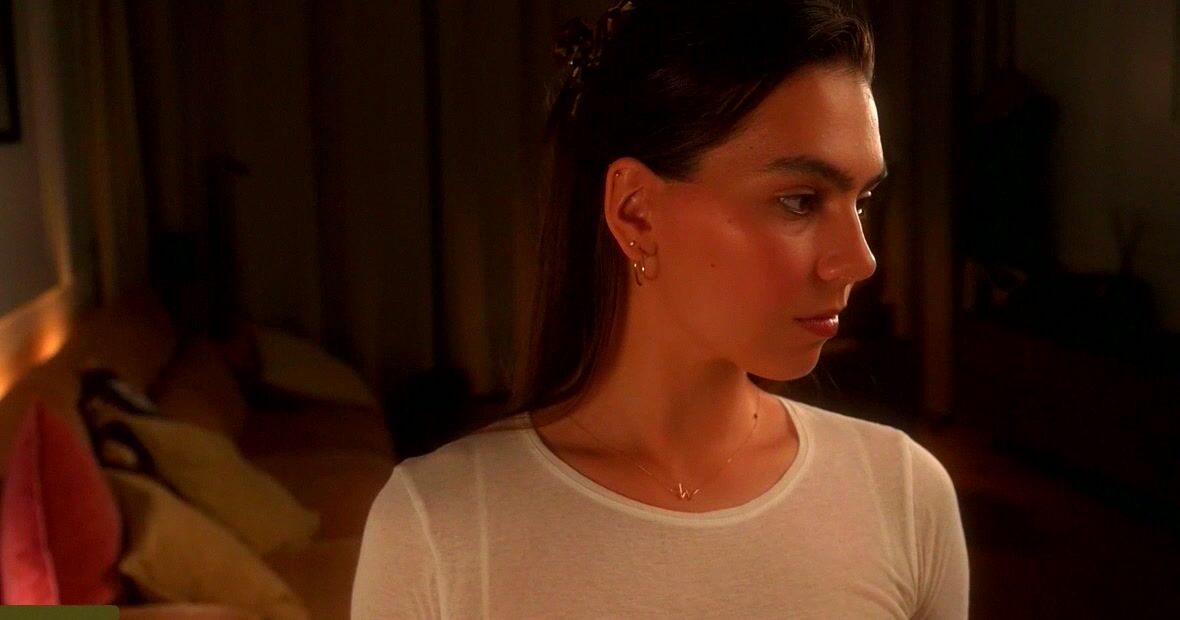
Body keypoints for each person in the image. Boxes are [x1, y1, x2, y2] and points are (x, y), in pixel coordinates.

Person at [352, 1, 969, 617]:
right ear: (637, 213)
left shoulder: (905, 496)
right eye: (799, 201)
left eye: (861, 202)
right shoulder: (440, 526)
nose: (860, 260)